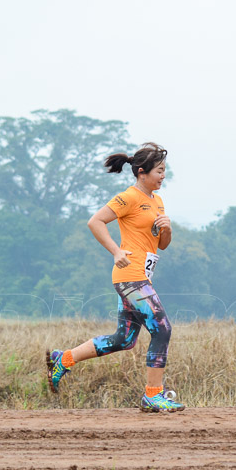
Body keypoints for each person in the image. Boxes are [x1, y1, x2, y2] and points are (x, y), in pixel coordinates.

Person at [45, 142, 184, 413]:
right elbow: (95, 221)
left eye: (165, 170)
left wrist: (167, 229)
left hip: (142, 277)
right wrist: (115, 250)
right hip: (129, 276)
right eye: (159, 170)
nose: (163, 176)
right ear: (142, 172)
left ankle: (64, 359)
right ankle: (153, 395)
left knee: (124, 340)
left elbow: (162, 244)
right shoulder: (128, 197)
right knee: (162, 329)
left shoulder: (157, 201)